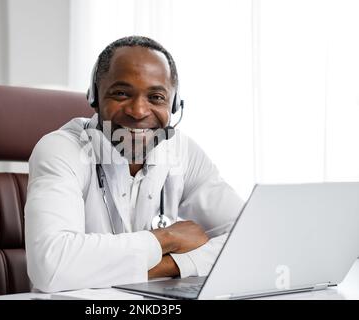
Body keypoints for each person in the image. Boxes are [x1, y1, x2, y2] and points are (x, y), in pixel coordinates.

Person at [25, 36, 244, 293]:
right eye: (121, 93)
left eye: (156, 97)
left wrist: (169, 265)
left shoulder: (181, 151)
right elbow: (51, 267)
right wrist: (168, 238)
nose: (139, 111)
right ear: (94, 97)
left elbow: (246, 239)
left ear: (174, 105)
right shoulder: (61, 149)